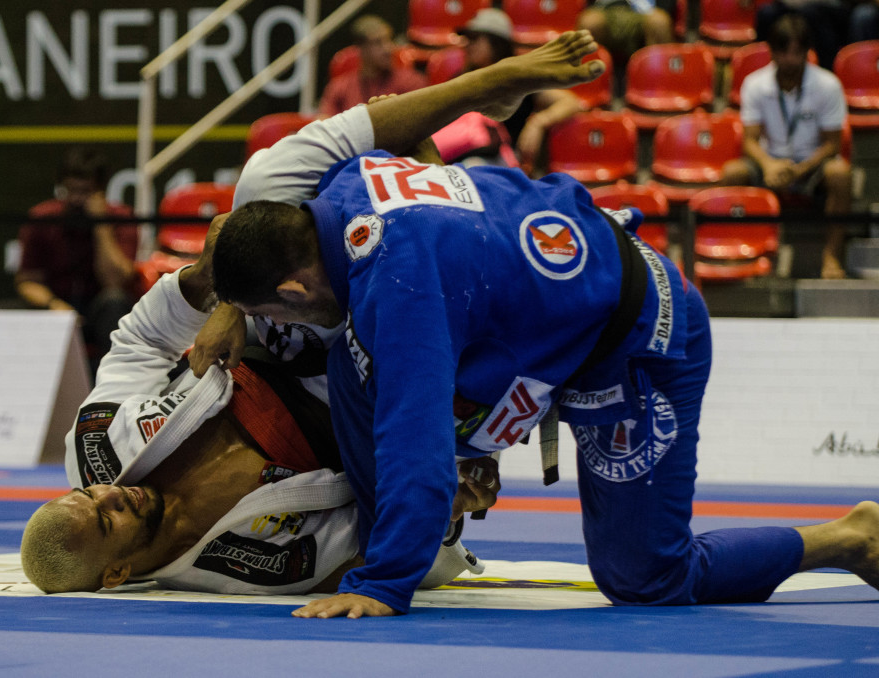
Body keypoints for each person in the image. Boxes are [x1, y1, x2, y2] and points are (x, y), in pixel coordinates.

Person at [202, 30, 879, 619]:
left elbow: (416, 436)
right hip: (559, 305)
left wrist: (386, 582)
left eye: (273, 313)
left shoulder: (396, 286)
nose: (285, 327)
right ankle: (400, 535)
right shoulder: (350, 181)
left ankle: (848, 536)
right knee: (352, 359)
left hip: (639, 338)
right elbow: (403, 150)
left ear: (294, 285)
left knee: (646, 578)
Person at [20, 226, 492, 595]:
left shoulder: (98, 448)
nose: (109, 494)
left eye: (88, 495)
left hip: (275, 319)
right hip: (383, 399)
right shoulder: (240, 565)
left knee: (267, 191)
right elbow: (373, 546)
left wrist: (219, 289)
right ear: (117, 572)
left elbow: (141, 341)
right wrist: (442, 507)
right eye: (106, 519)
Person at [720, 14, 853, 279]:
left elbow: (832, 145)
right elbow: (749, 140)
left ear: (807, 52)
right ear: (772, 52)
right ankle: (736, 252)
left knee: (840, 174)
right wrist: (769, 164)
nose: (791, 59)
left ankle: (831, 256)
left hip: (812, 163)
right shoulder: (755, 84)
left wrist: (799, 169)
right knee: (733, 173)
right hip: (770, 162)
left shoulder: (827, 85)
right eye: (784, 52)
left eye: (797, 52)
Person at [15, 147, 138, 376]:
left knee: (115, 302)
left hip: (98, 314)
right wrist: (53, 305)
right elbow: (27, 281)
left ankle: (116, 387)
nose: (76, 199)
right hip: (55, 311)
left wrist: (101, 225)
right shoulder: (43, 218)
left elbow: (115, 281)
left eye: (85, 192)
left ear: (101, 191)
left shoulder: (121, 218)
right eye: (69, 190)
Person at [450, 8, 584, 175]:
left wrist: (538, 122)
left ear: (496, 43)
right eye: (467, 38)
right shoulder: (461, 78)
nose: (467, 44)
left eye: (474, 38)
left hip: (502, 162)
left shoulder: (519, 78)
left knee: (473, 167)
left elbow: (570, 102)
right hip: (460, 156)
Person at [317, 15, 428, 118]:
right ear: (361, 49)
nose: (388, 49)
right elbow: (324, 123)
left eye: (389, 40)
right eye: (378, 43)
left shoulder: (411, 82)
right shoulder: (339, 88)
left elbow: (421, 121)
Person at [576, 0, 676, 65]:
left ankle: (659, 83)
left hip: (646, 11)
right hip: (605, 9)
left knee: (659, 22)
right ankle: (588, 85)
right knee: (590, 22)